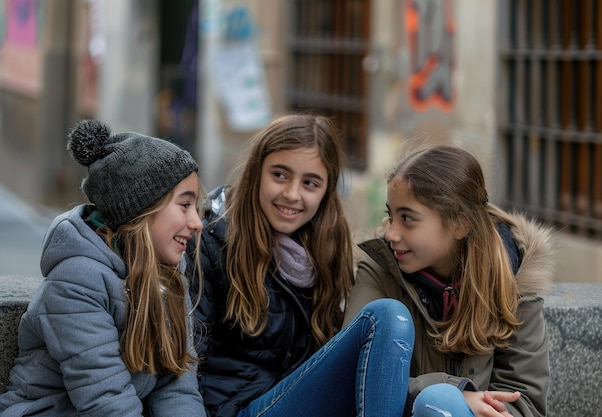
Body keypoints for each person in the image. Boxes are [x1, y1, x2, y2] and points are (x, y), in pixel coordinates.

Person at [186, 114, 415, 417]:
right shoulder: (210, 240)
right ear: (256, 173)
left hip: (298, 400)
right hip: (236, 410)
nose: (292, 194)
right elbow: (185, 362)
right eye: (279, 175)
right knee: (387, 316)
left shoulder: (327, 250)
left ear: (326, 191)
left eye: (310, 183)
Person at [0, 119, 206, 417]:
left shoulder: (167, 273)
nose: (197, 222)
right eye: (184, 205)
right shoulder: (77, 281)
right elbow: (107, 401)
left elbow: (176, 385)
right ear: (141, 211)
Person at [343, 144, 555, 417]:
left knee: (443, 404)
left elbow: (525, 401)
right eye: (390, 215)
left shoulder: (516, 280)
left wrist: (469, 407)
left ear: (459, 224)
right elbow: (352, 374)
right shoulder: (379, 269)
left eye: (407, 218)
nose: (391, 233)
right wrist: (455, 391)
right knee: (440, 399)